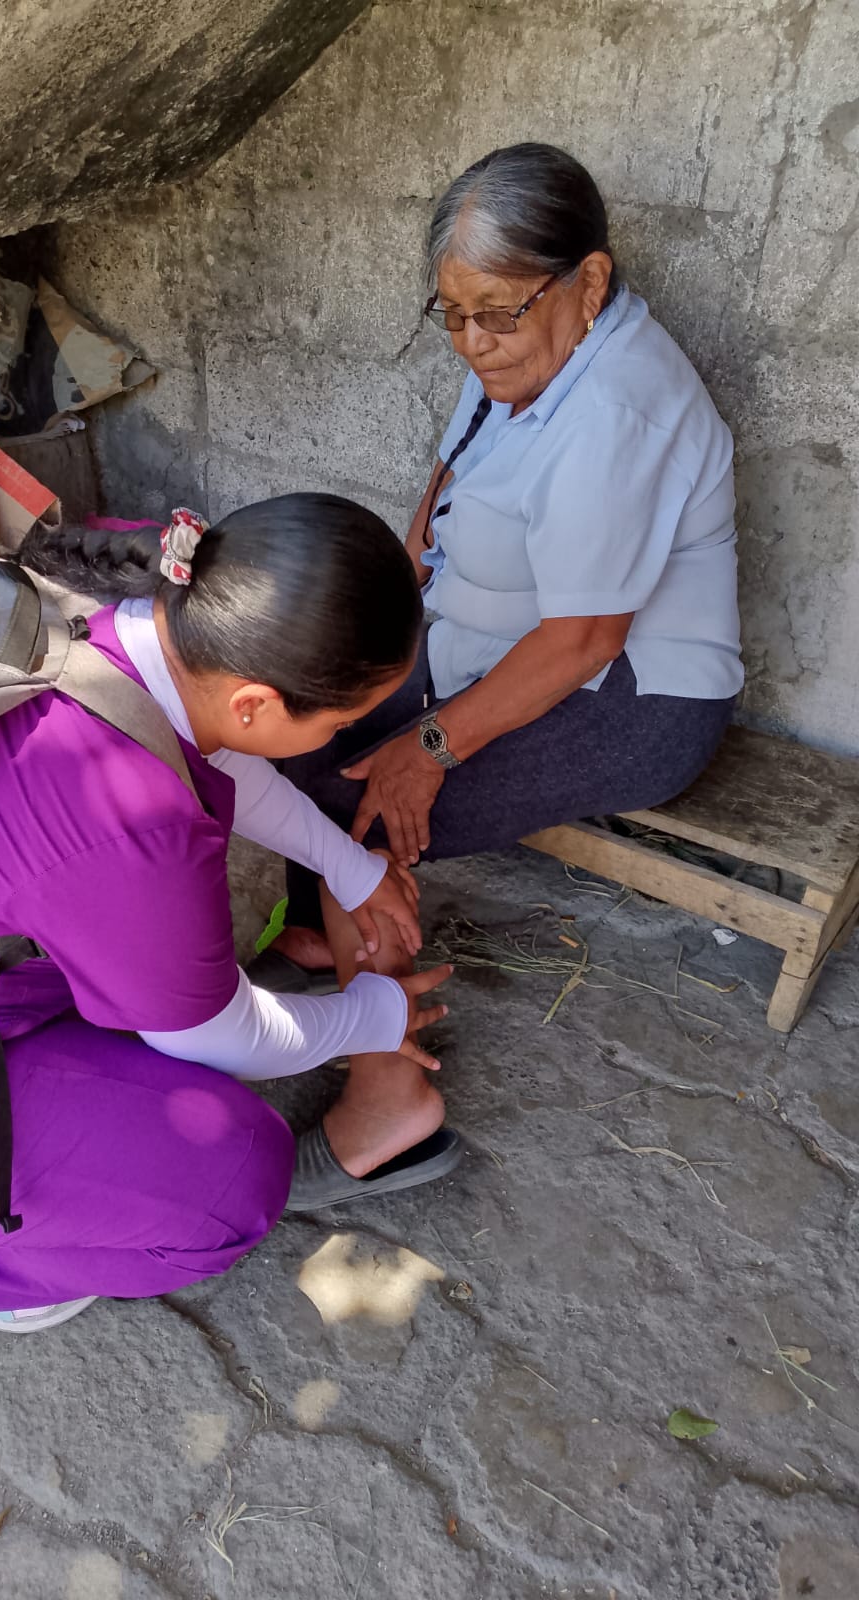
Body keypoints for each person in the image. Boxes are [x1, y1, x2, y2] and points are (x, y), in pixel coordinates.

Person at [0, 494, 457, 1335]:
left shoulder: (116, 617)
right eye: (343, 721)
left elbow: (211, 754)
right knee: (237, 1177)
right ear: (254, 702)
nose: (343, 735)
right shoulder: (130, 822)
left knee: (159, 1005)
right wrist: (373, 1016)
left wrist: (350, 869)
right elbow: (222, 1036)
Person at [256, 142, 743, 1191]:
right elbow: (451, 477)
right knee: (300, 711)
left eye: (497, 314)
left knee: (357, 807)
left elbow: (583, 641)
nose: (474, 342)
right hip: (488, 646)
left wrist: (426, 747)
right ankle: (327, 940)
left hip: (627, 699)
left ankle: (394, 1105)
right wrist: (389, 613)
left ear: (590, 282)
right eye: (453, 315)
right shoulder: (526, 354)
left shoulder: (617, 411)